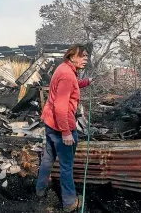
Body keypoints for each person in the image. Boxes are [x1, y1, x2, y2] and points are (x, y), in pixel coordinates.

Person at [36, 44, 91, 212]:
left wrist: (86, 82)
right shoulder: (68, 74)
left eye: (86, 56)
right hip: (61, 126)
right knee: (66, 166)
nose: (86, 59)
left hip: (50, 124)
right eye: (82, 56)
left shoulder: (63, 69)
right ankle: (69, 202)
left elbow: (69, 86)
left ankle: (40, 190)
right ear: (72, 57)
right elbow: (61, 106)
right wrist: (66, 132)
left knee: (47, 159)